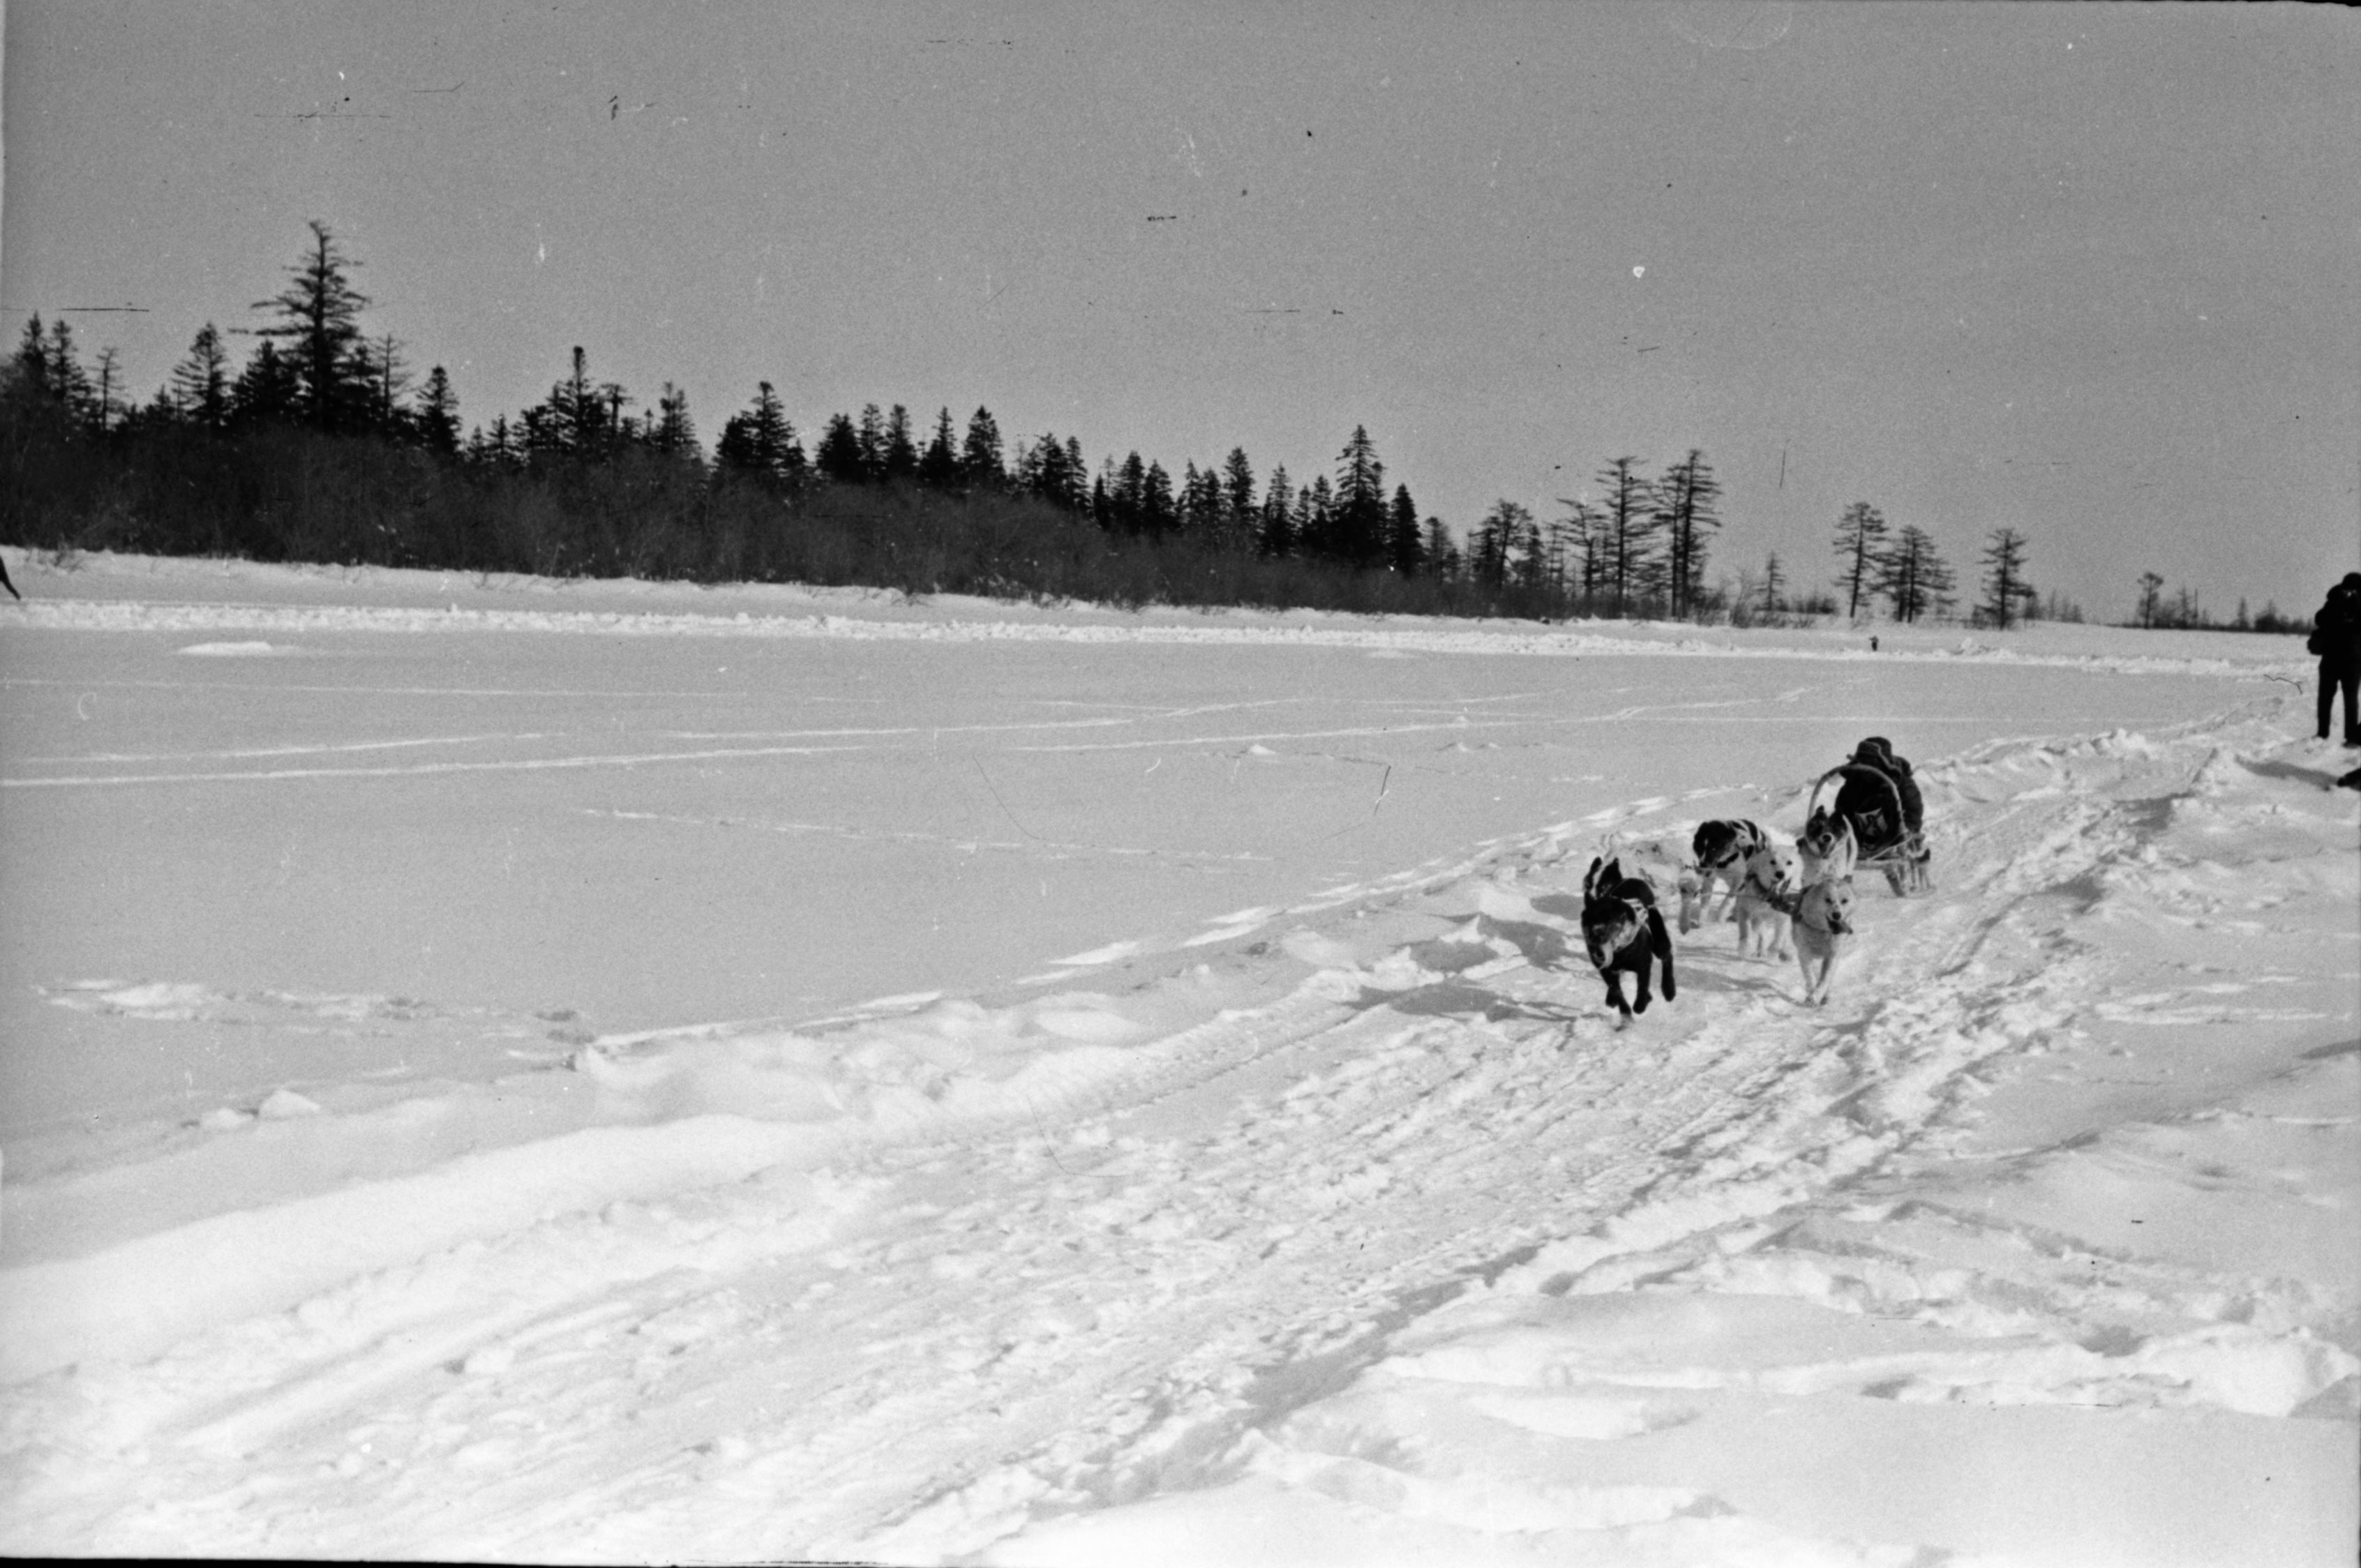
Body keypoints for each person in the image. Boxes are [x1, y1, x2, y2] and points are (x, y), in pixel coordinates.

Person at [2311, 571, 2361, 746]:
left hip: (2353, 660)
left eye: (2354, 590)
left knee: (2351, 701)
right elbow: (2320, 619)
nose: (2350, 593)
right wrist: (2338, 608)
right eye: (2347, 590)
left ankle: (2351, 738)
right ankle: (2322, 734)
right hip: (2331, 658)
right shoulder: (2333, 600)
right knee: (2325, 698)